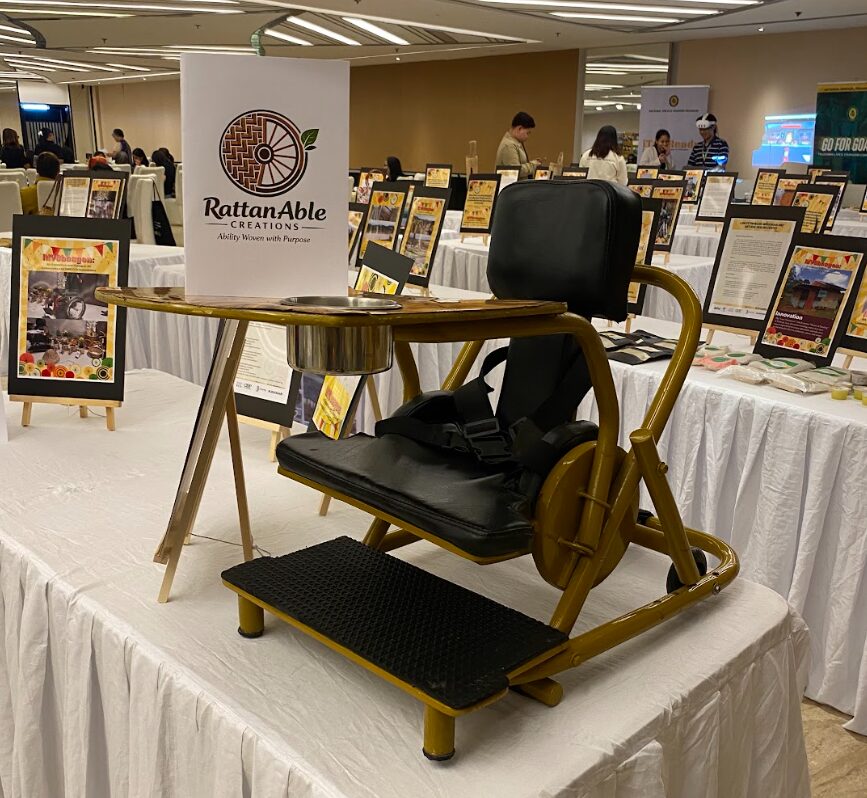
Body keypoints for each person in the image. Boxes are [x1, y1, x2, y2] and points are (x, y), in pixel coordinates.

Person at [496, 112, 539, 179]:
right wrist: (533, 165)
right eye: (527, 133)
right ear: (519, 129)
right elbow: (516, 171)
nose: (527, 136)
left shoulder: (515, 143)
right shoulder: (509, 146)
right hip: (513, 188)